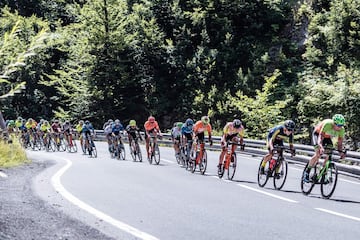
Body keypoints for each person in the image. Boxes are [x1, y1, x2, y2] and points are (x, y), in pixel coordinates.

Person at [303, 114, 346, 182]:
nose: (339, 127)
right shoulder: (328, 124)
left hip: (327, 138)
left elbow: (339, 143)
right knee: (318, 154)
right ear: (334, 123)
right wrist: (320, 146)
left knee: (329, 154)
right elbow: (320, 137)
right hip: (317, 135)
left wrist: (341, 152)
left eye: (341, 125)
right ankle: (307, 172)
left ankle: (322, 173)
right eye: (338, 125)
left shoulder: (342, 130)